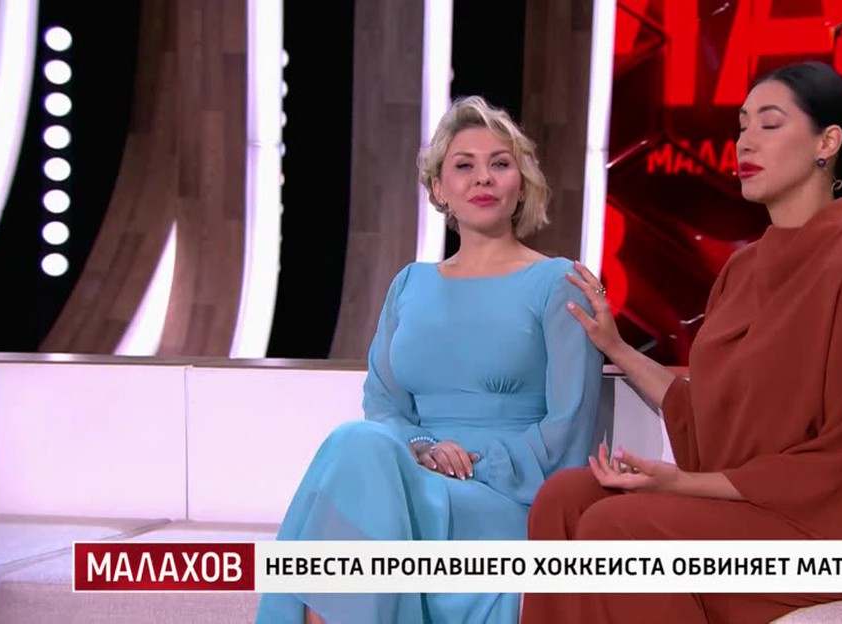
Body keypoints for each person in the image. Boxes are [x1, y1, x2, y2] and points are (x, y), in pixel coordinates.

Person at [520, 61, 842, 623]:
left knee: (619, 528)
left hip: (821, 529)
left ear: (827, 143)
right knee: (564, 499)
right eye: (742, 125)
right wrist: (617, 347)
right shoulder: (742, 269)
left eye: (769, 124)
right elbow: (701, 409)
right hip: (739, 508)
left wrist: (683, 483)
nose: (745, 141)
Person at [255, 96, 604, 624]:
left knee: (354, 478)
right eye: (464, 165)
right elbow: (383, 404)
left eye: (500, 164)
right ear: (440, 189)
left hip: (501, 498)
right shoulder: (409, 285)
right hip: (407, 474)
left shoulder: (559, 283)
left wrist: (469, 462)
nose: (483, 177)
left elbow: (568, 431)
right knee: (358, 444)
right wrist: (420, 447)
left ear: (521, 185)